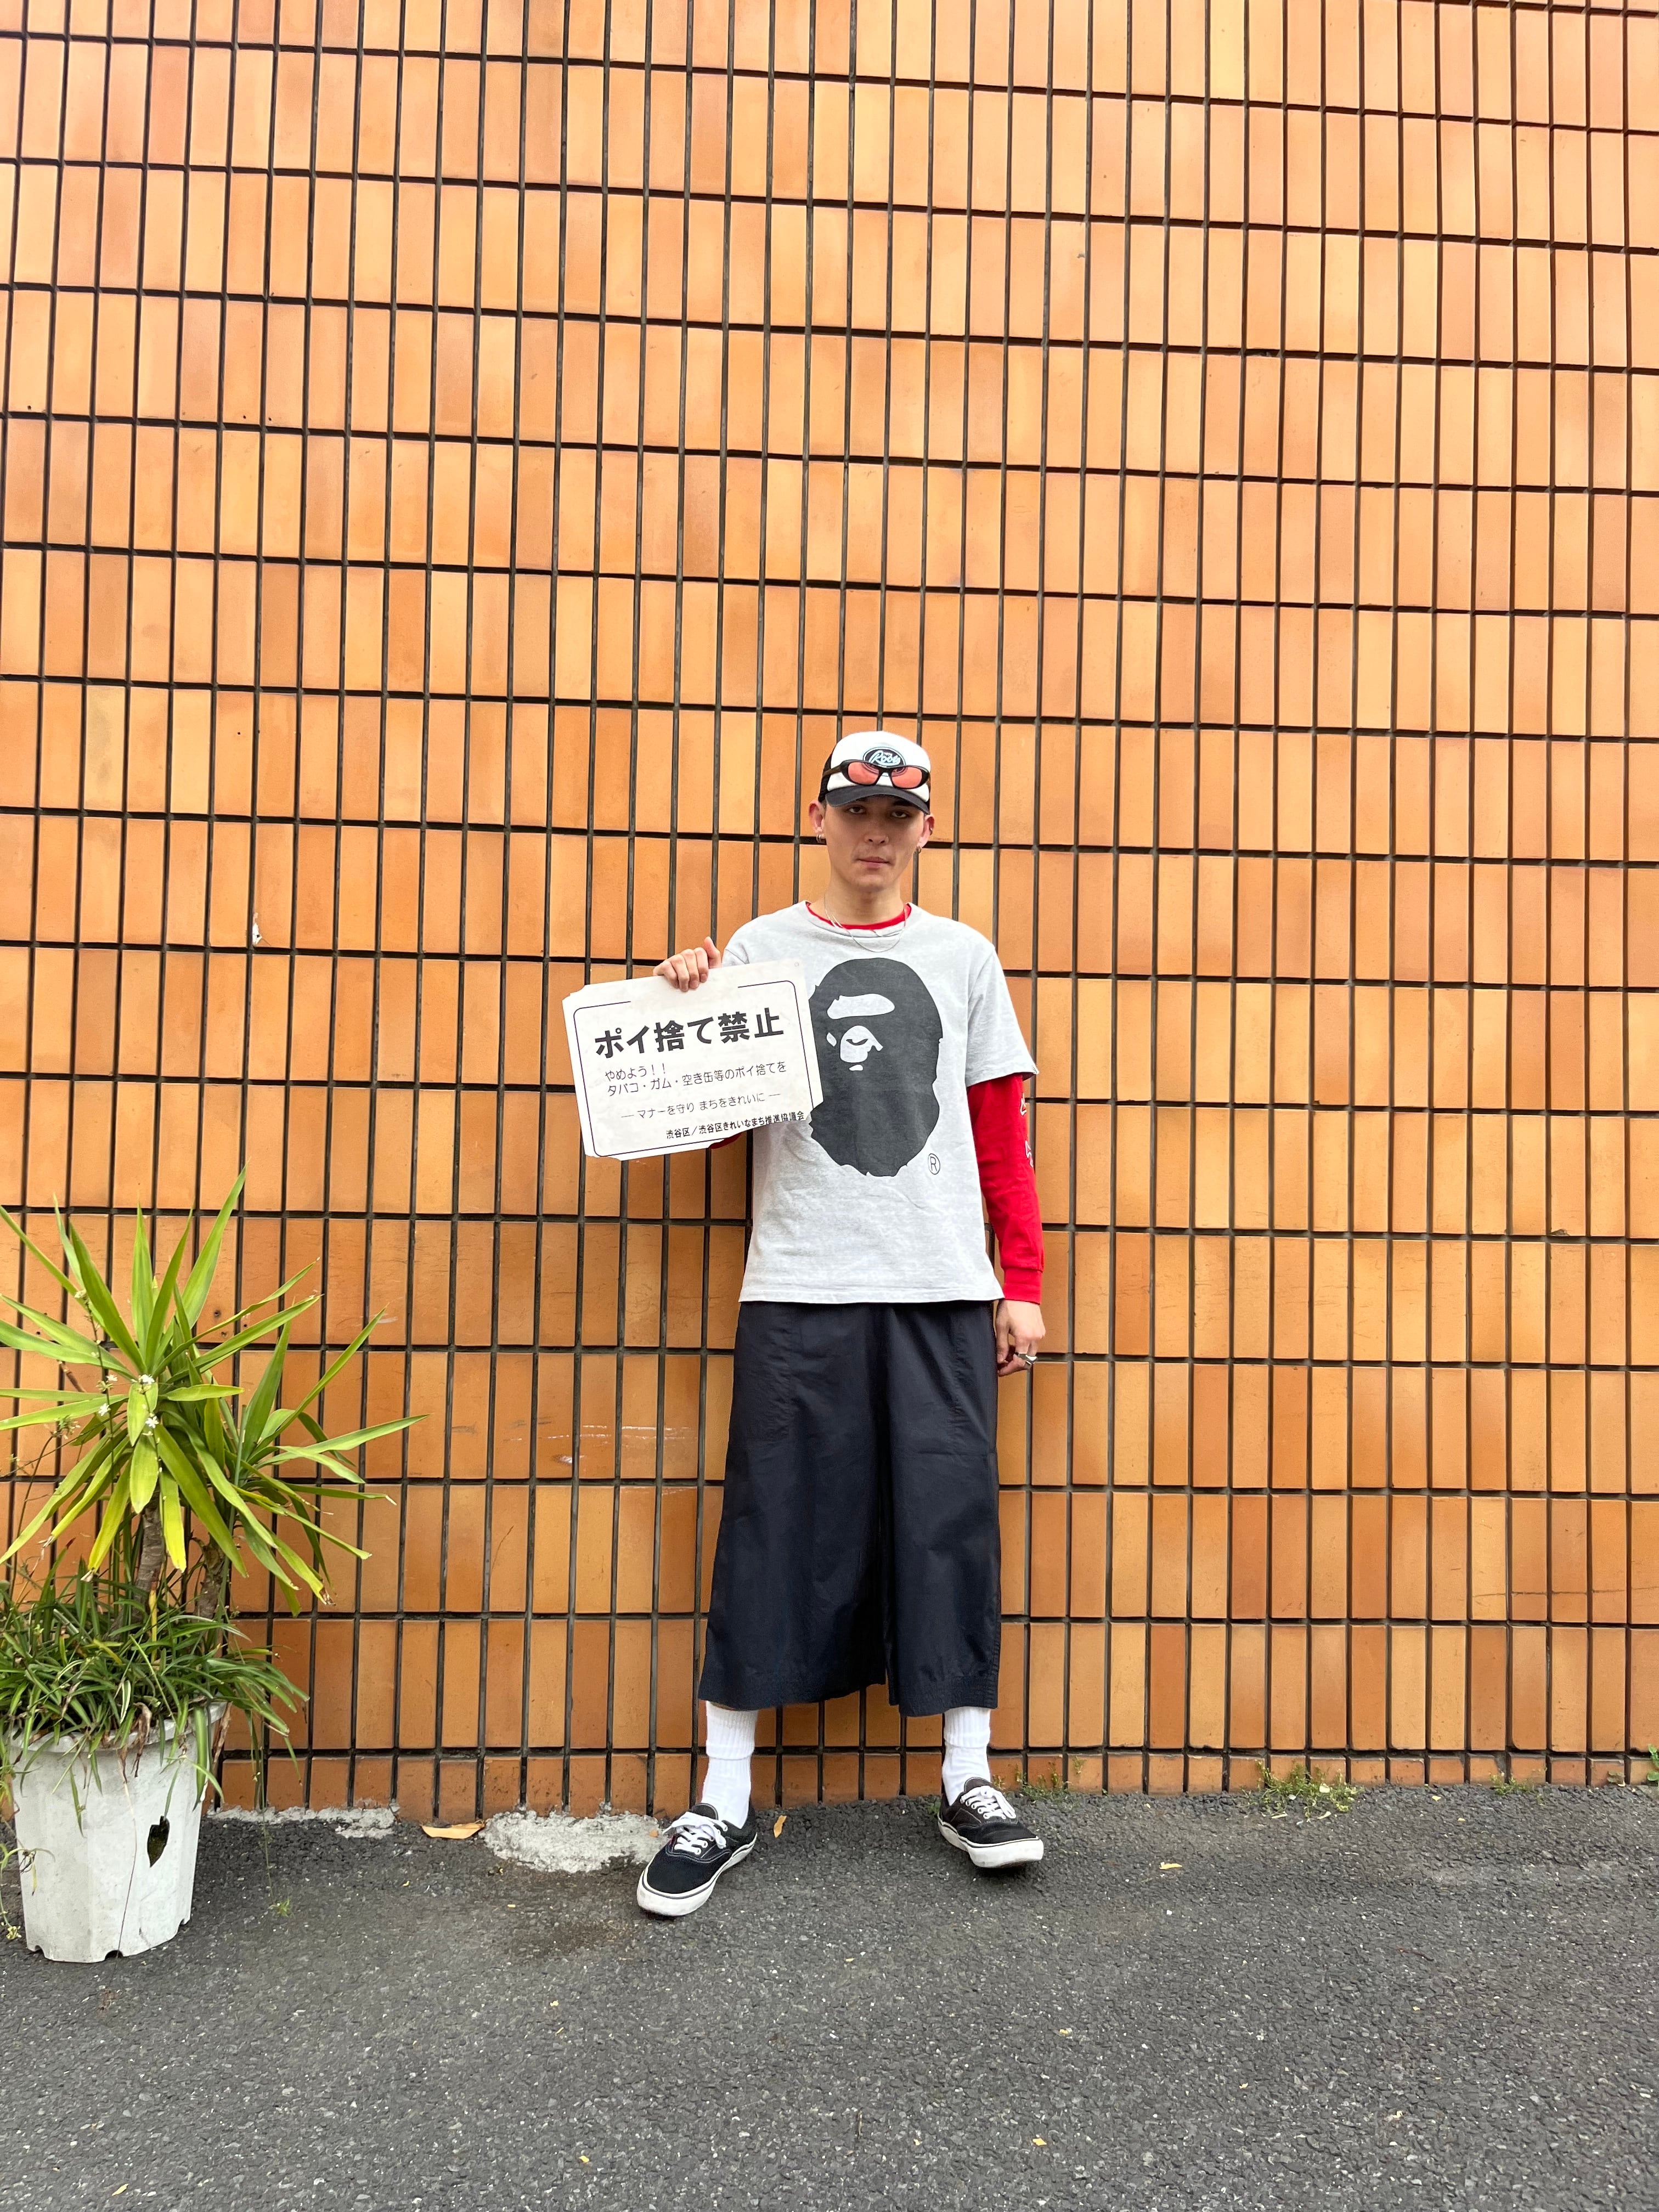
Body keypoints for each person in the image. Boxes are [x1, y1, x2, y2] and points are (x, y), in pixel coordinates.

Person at [635, 732, 1048, 1918]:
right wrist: (687, 1003)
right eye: (856, 809)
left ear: (925, 829)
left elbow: (999, 1130)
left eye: (897, 814)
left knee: (949, 1527)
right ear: (818, 818)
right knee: (770, 1528)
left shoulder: (963, 957)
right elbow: (711, 1122)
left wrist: (1018, 1278)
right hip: (799, 1283)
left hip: (939, 1284)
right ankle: (722, 1798)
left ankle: (968, 1777)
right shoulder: (762, 950)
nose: (876, 831)